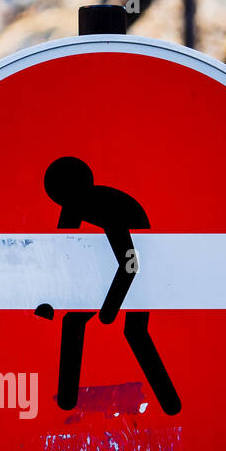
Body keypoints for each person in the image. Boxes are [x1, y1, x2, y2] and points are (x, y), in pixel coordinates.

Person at [38, 156, 181, 415]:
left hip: (141, 264)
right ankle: (65, 406)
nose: (61, 204)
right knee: (73, 322)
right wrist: (49, 299)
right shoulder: (74, 204)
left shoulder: (108, 209)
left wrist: (110, 307)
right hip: (109, 264)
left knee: (135, 331)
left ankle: (172, 406)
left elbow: (131, 263)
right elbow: (60, 250)